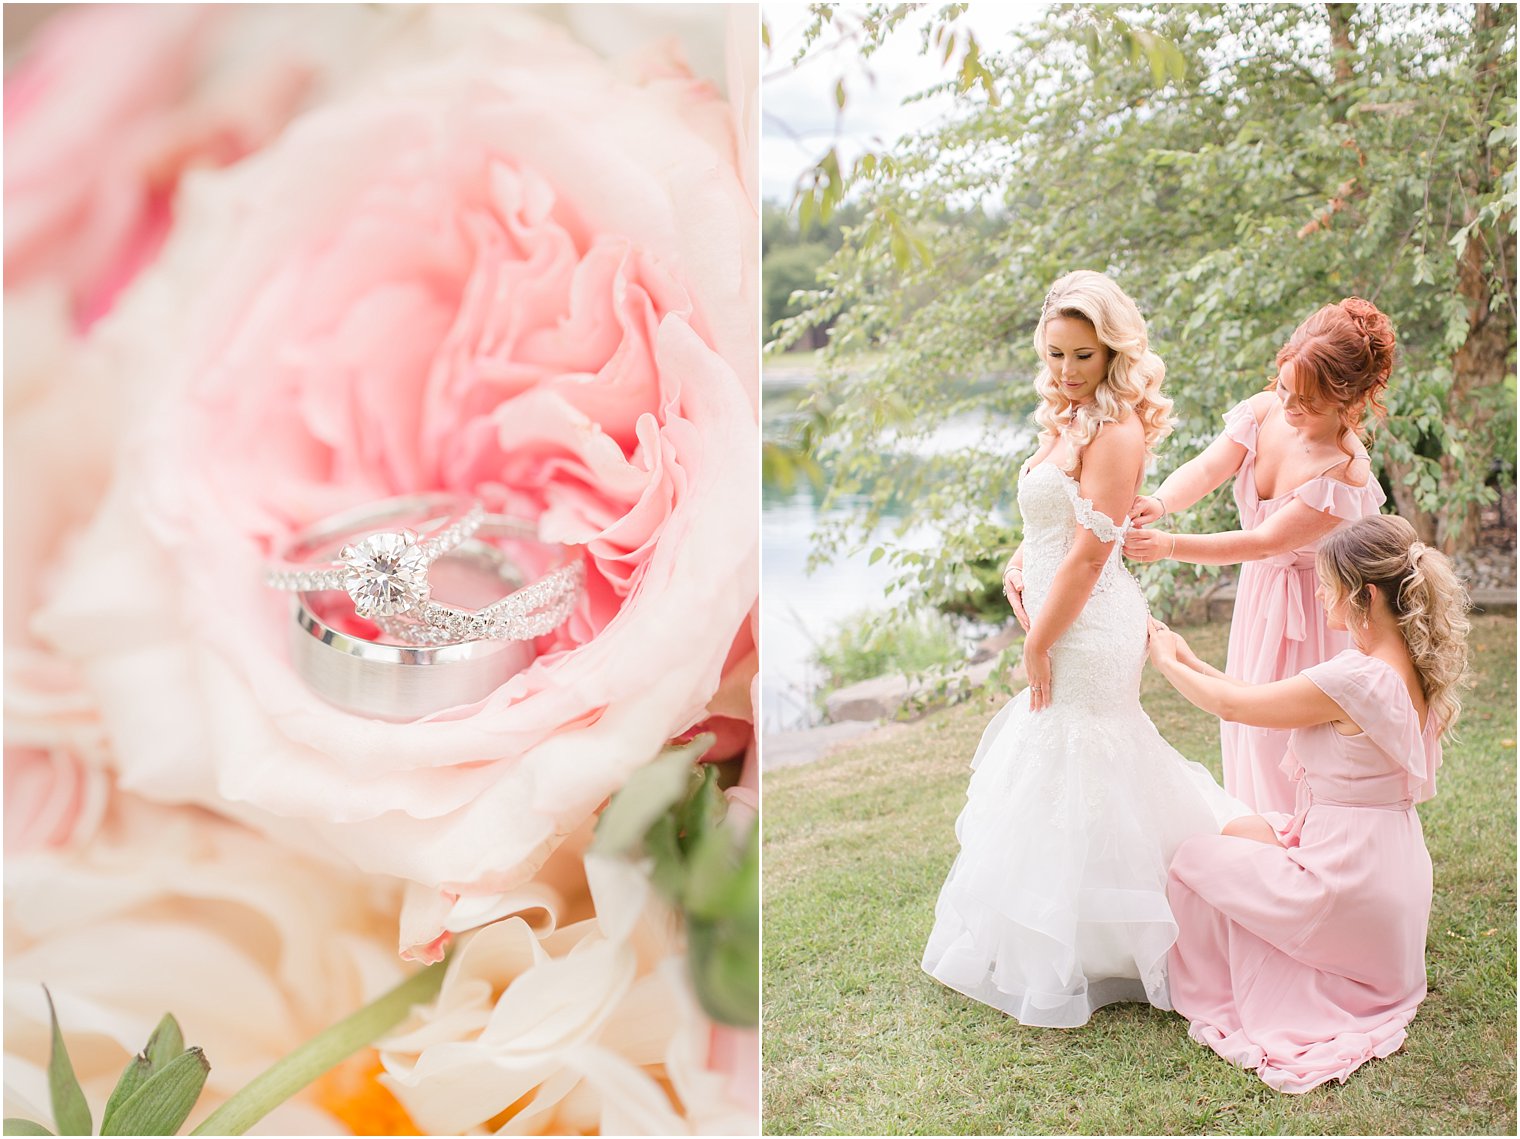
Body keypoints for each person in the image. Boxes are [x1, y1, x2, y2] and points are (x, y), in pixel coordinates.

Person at [921, 270, 1246, 1028]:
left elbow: (1090, 557)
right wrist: (1017, 559)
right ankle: (1068, 939)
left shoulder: (1117, 429)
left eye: (1083, 357)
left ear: (1114, 354)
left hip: (1089, 625)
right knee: (1055, 765)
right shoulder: (1068, 417)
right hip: (1059, 605)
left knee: (1091, 759)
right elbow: (1055, 526)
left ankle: (1136, 936)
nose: (1066, 372)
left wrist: (1037, 639)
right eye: (1056, 354)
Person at [1146, 513, 1471, 1092]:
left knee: (1192, 860)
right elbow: (1262, 698)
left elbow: (1234, 708)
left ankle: (1255, 977)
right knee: (1246, 829)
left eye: (1327, 584)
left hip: (1345, 881)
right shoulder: (1412, 670)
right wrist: (1192, 660)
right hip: (1389, 877)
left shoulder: (1357, 678)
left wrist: (1164, 661)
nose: (1320, 594)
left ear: (1364, 595)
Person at [1122, 299, 1394, 814]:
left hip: (1314, 613)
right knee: (1244, 725)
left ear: (1347, 400)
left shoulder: (1343, 474)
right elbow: (1206, 470)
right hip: (1260, 596)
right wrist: (1161, 502)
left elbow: (1264, 542)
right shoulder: (1266, 410)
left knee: (1288, 741)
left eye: (1306, 402)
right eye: (1285, 387)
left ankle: (1302, 854)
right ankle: (1260, 853)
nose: (1289, 408)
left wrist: (1171, 546)